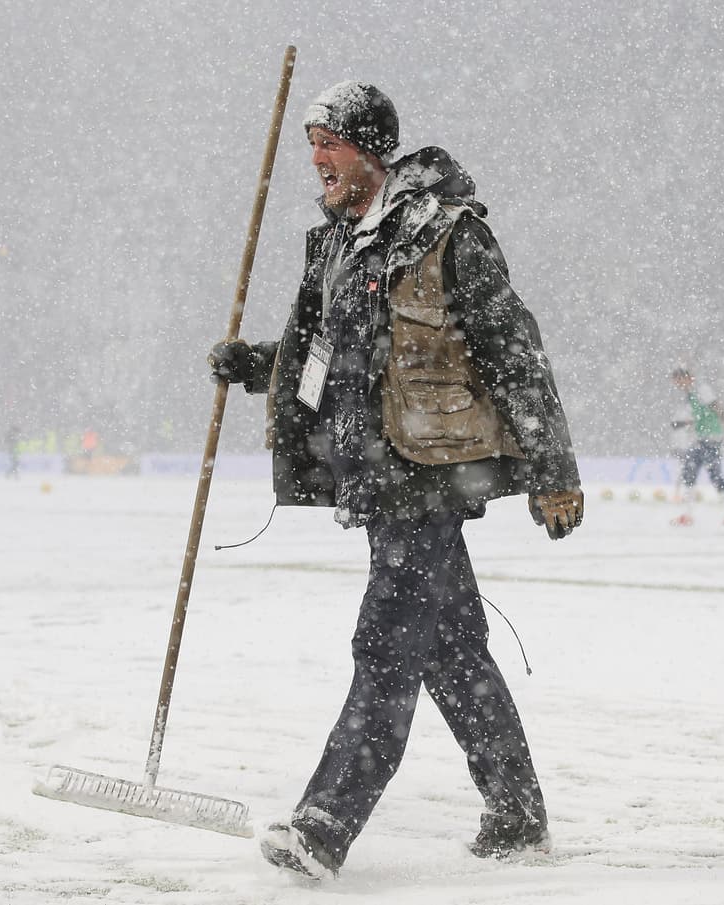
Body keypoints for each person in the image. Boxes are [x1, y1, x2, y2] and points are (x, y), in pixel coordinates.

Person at [207, 80, 583, 879]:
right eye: (312, 145)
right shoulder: (338, 242)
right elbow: (325, 351)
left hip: (429, 471)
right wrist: (257, 366)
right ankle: (516, 815)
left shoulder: (445, 234)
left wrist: (556, 469)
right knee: (452, 651)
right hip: (375, 477)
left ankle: (325, 822)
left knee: (384, 644)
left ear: (370, 149)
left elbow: (516, 350)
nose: (316, 159)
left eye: (330, 143)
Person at [668, 367, 724, 526]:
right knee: (689, 473)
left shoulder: (702, 390)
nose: (678, 385)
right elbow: (700, 417)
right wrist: (683, 423)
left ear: (687, 378)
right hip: (700, 439)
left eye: (679, 381)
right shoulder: (690, 395)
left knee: (715, 475)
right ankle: (687, 515)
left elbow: (717, 409)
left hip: (711, 439)